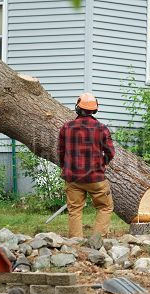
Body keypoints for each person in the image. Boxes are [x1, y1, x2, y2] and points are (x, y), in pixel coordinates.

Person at [57, 93, 115, 238]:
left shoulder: (66, 127)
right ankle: (97, 241)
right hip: (96, 178)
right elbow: (110, 152)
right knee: (105, 207)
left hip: (73, 178)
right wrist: (104, 163)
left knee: (75, 210)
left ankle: (75, 244)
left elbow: (60, 152)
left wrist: (66, 167)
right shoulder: (101, 128)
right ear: (95, 110)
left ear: (77, 107)